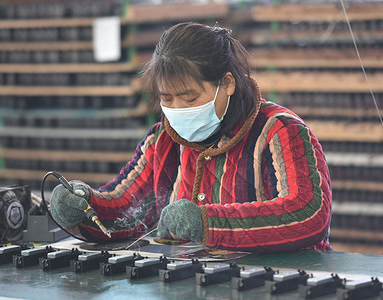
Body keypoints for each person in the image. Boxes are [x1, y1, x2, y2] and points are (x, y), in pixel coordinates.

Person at [50, 22, 332, 252]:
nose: (177, 110)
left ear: (228, 84)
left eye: (189, 98)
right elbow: (129, 211)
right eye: (167, 99)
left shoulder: (279, 131)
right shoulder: (163, 141)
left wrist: (209, 223)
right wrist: (84, 207)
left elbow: (306, 213)